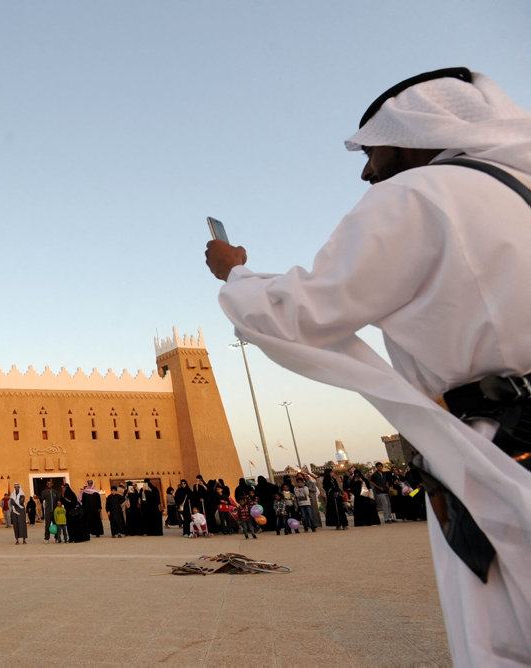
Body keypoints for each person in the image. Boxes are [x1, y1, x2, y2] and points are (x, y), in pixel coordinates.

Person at [206, 67, 531, 664]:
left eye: (373, 150)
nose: (365, 171)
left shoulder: (418, 194)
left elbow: (302, 311)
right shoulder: (517, 191)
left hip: (501, 451)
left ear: (412, 134)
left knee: (504, 635)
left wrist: (237, 273)